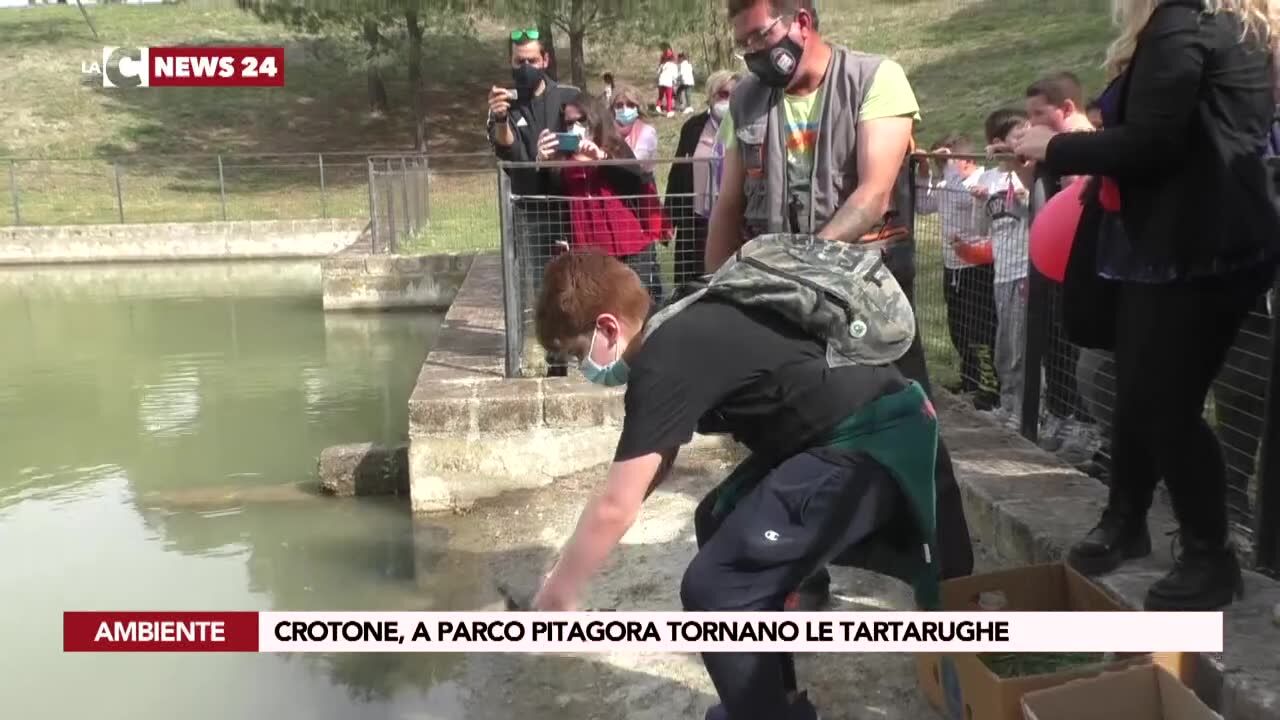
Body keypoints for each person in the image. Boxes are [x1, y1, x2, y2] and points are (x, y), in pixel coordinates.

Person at [528, 251, 945, 720]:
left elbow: (614, 506)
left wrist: (558, 592)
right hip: (847, 429)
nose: (580, 366)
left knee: (715, 588)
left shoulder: (664, 360)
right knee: (718, 519)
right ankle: (772, 702)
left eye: (575, 352)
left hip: (873, 440)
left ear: (607, 328)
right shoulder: (677, 324)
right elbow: (651, 466)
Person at [1011, 0, 1280, 611]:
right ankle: (1125, 517)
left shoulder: (1187, 22)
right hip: (1174, 243)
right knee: (1137, 389)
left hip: (1196, 247)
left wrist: (1057, 148)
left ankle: (1211, 554)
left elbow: (1153, 144)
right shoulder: (1215, 24)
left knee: (1163, 402)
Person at [707, 0, 975, 611]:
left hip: (871, 303)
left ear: (801, 19)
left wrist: (800, 267)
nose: (752, 53)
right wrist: (716, 291)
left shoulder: (876, 78)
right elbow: (726, 205)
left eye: (760, 36)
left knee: (916, 433)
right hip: (785, 305)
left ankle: (955, 584)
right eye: (742, 44)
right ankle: (800, 571)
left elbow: (874, 194)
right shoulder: (746, 100)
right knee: (789, 438)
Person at [486, 26, 581, 376]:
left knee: (578, 283)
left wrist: (564, 150)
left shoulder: (569, 97)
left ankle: (585, 350)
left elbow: (590, 136)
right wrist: (499, 118)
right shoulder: (506, 104)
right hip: (531, 212)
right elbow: (508, 151)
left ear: (545, 60)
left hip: (572, 206)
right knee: (543, 288)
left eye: (531, 60)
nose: (525, 66)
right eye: (518, 61)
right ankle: (554, 359)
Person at [1023, 72, 1102, 464]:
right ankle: (1062, 414)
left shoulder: (1086, 146)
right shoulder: (1057, 148)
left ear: (1067, 108)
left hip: (1085, 264)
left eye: (1040, 114)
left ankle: (1089, 428)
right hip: (1059, 262)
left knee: (1080, 345)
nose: (1034, 123)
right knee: (1055, 341)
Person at [540, 98, 666, 303]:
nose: (575, 127)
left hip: (628, 246)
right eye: (569, 122)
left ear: (594, 119)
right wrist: (541, 162)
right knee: (599, 308)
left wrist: (602, 158)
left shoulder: (614, 146)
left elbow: (636, 180)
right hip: (587, 249)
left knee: (638, 306)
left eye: (581, 120)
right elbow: (548, 198)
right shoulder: (560, 157)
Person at [915, 134, 999, 411]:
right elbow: (923, 205)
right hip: (952, 266)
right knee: (958, 325)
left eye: (947, 161)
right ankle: (970, 379)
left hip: (978, 265)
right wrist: (926, 169)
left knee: (980, 328)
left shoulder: (981, 181)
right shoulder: (946, 184)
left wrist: (947, 169)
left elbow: (969, 202)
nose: (943, 166)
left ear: (964, 160)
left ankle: (991, 388)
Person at [972, 110, 1032, 432]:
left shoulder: (1031, 173)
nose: (1024, 141)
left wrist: (1026, 194)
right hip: (1001, 271)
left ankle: (1026, 412)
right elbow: (982, 228)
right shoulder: (989, 179)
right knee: (1003, 346)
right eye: (1017, 136)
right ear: (997, 143)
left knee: (1021, 346)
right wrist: (977, 202)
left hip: (1025, 269)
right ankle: (1008, 403)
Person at [666, 70, 742, 287]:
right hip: (697, 220)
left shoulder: (749, 125)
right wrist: (670, 217)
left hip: (736, 220)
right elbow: (678, 173)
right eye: (723, 94)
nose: (729, 100)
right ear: (710, 95)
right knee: (694, 283)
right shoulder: (693, 127)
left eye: (735, 95)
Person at [612, 84, 660, 171]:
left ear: (638, 108)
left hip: (639, 181)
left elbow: (638, 162)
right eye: (619, 105)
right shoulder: (607, 131)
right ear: (613, 109)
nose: (624, 109)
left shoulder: (647, 132)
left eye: (630, 105)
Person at [657, 48, 679, 117]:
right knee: (669, 97)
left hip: (661, 81)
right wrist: (675, 81)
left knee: (660, 96)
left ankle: (658, 107)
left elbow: (658, 72)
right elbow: (675, 75)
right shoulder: (674, 66)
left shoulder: (663, 64)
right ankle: (669, 111)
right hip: (668, 82)